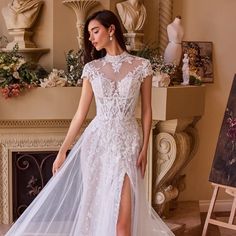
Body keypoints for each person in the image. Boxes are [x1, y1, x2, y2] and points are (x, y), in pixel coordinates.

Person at [5, 10, 174, 236]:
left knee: (122, 225)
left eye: (95, 31)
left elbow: (147, 110)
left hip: (127, 142)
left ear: (111, 29)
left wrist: (145, 147)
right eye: (89, 34)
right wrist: (63, 150)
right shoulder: (92, 69)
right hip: (97, 143)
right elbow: (80, 114)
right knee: (95, 211)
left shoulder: (142, 66)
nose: (92, 38)